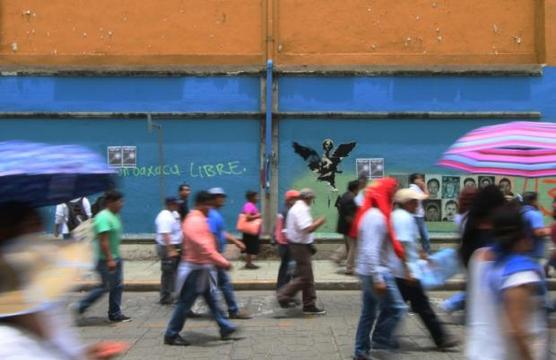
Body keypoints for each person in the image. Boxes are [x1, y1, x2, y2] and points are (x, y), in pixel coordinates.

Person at [0, 202, 127, 359]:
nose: (37, 235)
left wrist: (85, 355)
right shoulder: (9, 345)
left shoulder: (42, 306)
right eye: (31, 227)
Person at [466, 205, 549, 360]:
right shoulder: (520, 273)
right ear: (523, 233)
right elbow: (517, 331)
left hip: (479, 351)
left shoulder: (479, 258)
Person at [164, 191, 237, 346]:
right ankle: (171, 334)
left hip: (203, 268)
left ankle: (224, 326)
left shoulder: (199, 218)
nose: (211, 208)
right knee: (185, 303)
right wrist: (223, 262)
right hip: (194, 270)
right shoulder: (195, 221)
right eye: (209, 205)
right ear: (202, 204)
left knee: (212, 299)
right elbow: (205, 247)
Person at [391, 189, 458, 350]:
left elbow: (410, 243)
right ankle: (441, 338)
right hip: (406, 272)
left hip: (404, 271)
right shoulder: (403, 218)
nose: (417, 205)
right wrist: (408, 270)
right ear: (407, 203)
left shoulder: (401, 216)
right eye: (415, 202)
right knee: (420, 307)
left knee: (401, 307)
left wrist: (424, 257)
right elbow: (401, 245)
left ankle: (385, 337)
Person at [352, 178, 408, 359]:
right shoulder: (376, 217)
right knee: (398, 308)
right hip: (375, 272)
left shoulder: (372, 214)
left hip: (369, 270)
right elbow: (370, 249)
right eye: (392, 192)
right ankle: (381, 339)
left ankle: (361, 351)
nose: (394, 196)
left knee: (368, 313)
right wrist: (378, 278)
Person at [441, 185, 505, 314]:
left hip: (472, 264)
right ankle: (451, 304)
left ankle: (453, 305)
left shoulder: (468, 218)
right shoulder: (490, 223)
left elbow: (465, 244)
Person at [75, 190, 131, 323]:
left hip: (115, 257)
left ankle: (115, 313)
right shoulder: (103, 217)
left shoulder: (114, 215)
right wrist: (110, 259)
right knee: (104, 286)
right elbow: (103, 241)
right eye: (119, 201)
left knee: (117, 286)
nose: (122, 204)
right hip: (105, 259)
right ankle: (79, 306)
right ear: (110, 202)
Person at [277, 188, 326, 315]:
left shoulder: (297, 208)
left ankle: (309, 305)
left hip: (299, 245)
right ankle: (284, 294)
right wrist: (320, 222)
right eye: (311, 199)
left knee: (307, 277)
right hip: (300, 247)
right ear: (307, 198)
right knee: (305, 277)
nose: (312, 201)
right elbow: (307, 229)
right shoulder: (301, 209)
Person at [207, 187, 251, 320]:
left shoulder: (215, 214)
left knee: (224, 283)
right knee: (211, 288)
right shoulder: (211, 215)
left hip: (216, 256)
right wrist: (217, 257)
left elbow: (221, 233)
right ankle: (221, 314)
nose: (223, 199)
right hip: (213, 257)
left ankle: (232, 310)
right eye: (220, 197)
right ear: (213, 199)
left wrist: (236, 242)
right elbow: (211, 236)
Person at [155, 197, 183, 305]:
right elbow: (165, 234)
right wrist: (171, 250)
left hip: (176, 245)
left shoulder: (174, 214)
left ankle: (176, 295)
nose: (178, 206)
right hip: (167, 247)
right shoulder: (164, 216)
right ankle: (165, 297)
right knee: (168, 273)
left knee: (177, 271)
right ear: (169, 204)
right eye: (175, 204)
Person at [331, 180, 360, 274]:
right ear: (356, 188)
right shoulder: (351, 198)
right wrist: (356, 227)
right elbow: (350, 216)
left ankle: (337, 257)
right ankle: (350, 268)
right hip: (349, 227)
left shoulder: (345, 195)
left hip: (345, 227)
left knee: (349, 245)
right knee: (353, 247)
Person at [274, 189, 300, 290]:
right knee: (288, 270)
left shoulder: (283, 210)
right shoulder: (288, 212)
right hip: (287, 244)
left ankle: (284, 290)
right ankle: (283, 292)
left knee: (286, 269)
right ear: (290, 200)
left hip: (284, 244)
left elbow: (276, 227)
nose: (298, 201)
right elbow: (285, 230)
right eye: (296, 199)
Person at [521, 192, 551, 261]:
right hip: (534, 254)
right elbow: (538, 232)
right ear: (533, 201)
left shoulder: (522, 213)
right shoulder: (534, 214)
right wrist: (552, 230)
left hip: (523, 253)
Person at [409, 173, 431, 254]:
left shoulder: (416, 189)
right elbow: (427, 196)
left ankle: (425, 253)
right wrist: (424, 187)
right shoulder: (413, 189)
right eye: (420, 178)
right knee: (424, 237)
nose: (422, 180)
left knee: (423, 236)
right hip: (416, 217)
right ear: (415, 180)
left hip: (418, 216)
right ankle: (427, 253)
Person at [240, 190, 262, 269]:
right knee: (249, 247)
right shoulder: (249, 205)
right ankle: (248, 263)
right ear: (251, 197)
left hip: (251, 230)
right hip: (249, 231)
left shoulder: (251, 205)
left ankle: (249, 263)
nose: (258, 198)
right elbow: (248, 217)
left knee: (250, 247)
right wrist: (258, 216)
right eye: (256, 196)